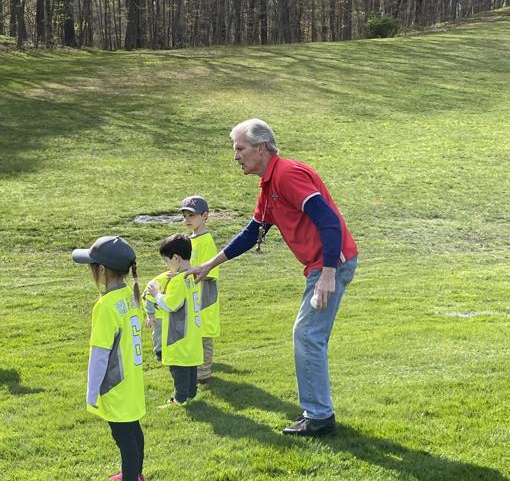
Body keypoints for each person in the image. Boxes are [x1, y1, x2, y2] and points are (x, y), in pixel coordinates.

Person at [189, 118, 358, 436]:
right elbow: (252, 232)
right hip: (322, 264)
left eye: (240, 149)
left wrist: (328, 273)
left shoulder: (287, 174)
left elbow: (329, 221)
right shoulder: (269, 185)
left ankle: (319, 417)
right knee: (309, 335)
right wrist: (209, 264)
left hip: (330, 263)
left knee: (307, 335)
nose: (236, 156)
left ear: (261, 148)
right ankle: (318, 414)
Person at [72, 235, 146, 481]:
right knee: (133, 430)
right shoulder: (131, 295)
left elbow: (100, 355)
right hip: (132, 379)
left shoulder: (104, 306)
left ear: (102, 270)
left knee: (124, 436)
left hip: (117, 383)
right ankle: (134, 475)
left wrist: (92, 392)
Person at [146, 233, 203, 407]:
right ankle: (191, 394)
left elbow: (171, 305)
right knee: (191, 365)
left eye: (166, 260)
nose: (166, 265)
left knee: (179, 368)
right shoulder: (193, 275)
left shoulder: (178, 281)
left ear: (176, 258)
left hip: (179, 335)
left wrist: (157, 295)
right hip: (192, 333)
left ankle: (179, 400)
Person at [180, 195, 220, 385]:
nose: (187, 220)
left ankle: (203, 375)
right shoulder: (191, 240)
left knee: (204, 335)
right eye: (185, 216)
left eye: (192, 216)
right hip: (193, 296)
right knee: (194, 335)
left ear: (205, 216)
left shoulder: (206, 241)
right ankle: (196, 369)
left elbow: (209, 273)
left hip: (204, 298)